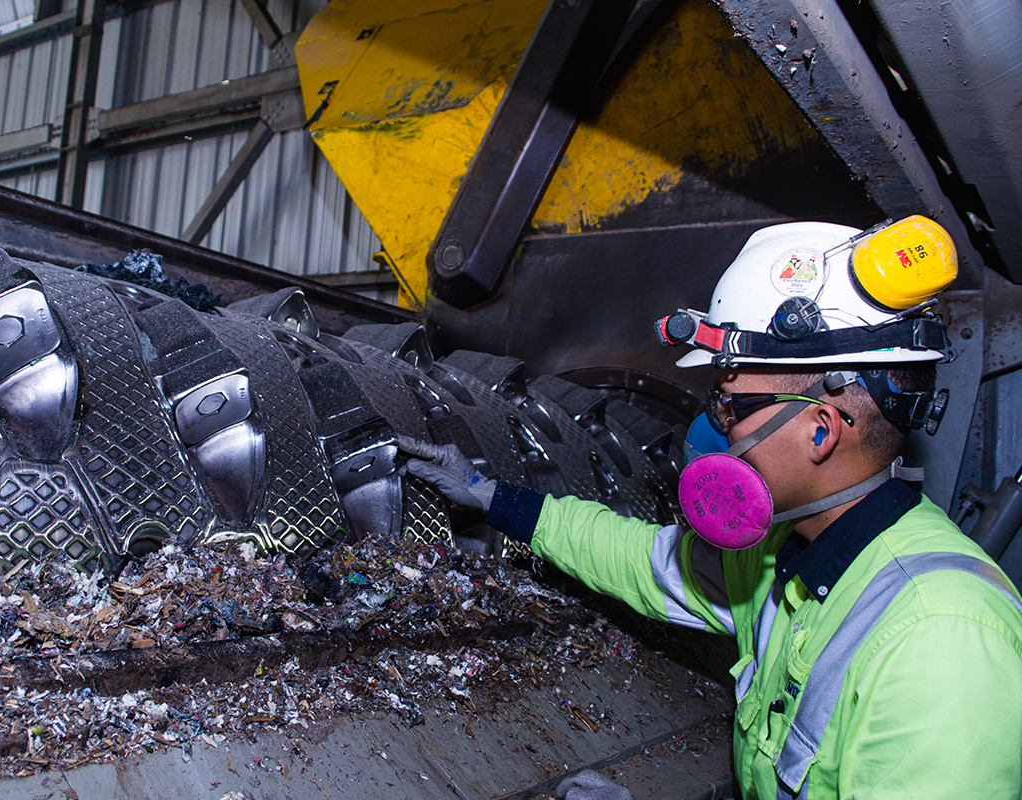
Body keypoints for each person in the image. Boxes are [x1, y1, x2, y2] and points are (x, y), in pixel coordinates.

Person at [402, 217, 1022, 800]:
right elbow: (642, 561)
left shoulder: (943, 641)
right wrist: (491, 496)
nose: (716, 429)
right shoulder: (786, 555)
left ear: (821, 429)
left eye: (730, 407)